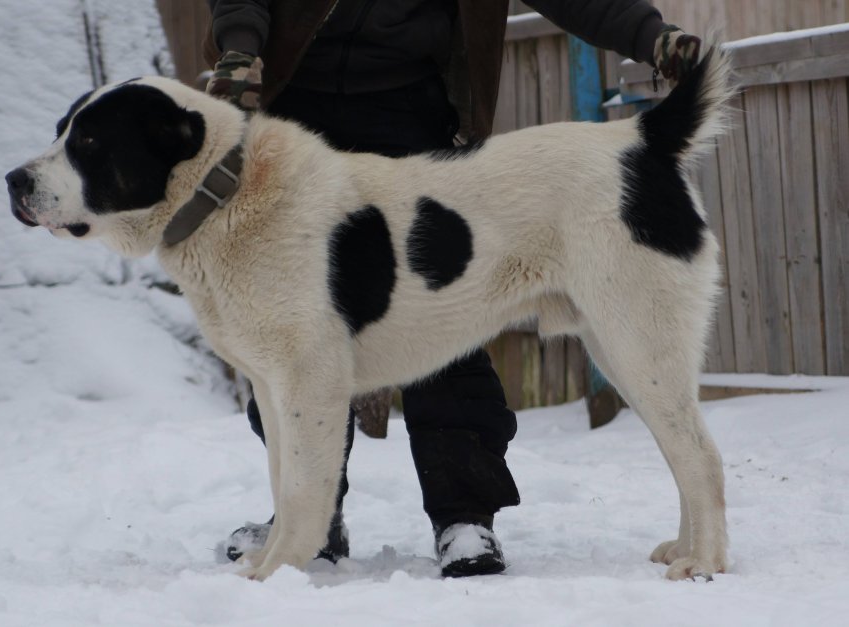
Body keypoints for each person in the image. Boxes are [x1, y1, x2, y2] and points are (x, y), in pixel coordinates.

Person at [202, 0, 702, 577]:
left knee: (447, 324)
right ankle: (305, 523)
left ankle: (464, 517)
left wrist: (654, 39)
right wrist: (240, 46)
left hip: (415, 116)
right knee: (290, 343)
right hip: (292, 115)